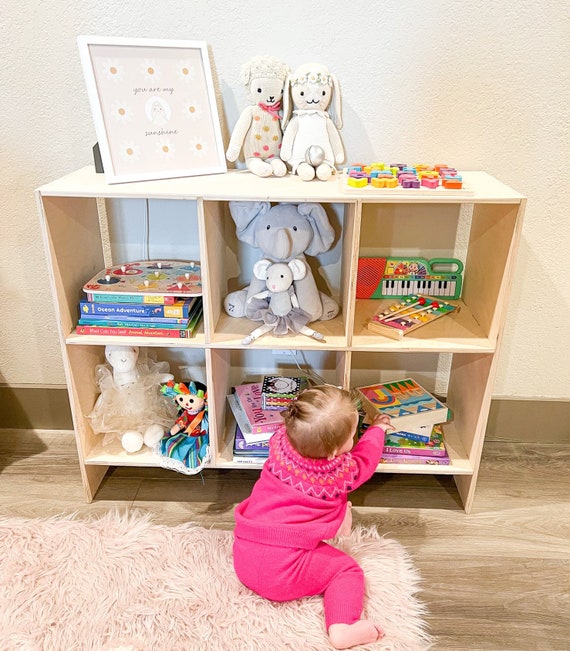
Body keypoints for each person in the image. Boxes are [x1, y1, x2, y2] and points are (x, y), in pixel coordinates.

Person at [232, 384, 392, 649]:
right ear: (332, 453)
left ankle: (339, 520)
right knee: (347, 571)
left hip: (245, 559)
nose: (354, 440)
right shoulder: (341, 473)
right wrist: (377, 429)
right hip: (284, 575)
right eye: (353, 435)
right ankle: (342, 627)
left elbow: (314, 418)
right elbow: (366, 458)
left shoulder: (279, 443)